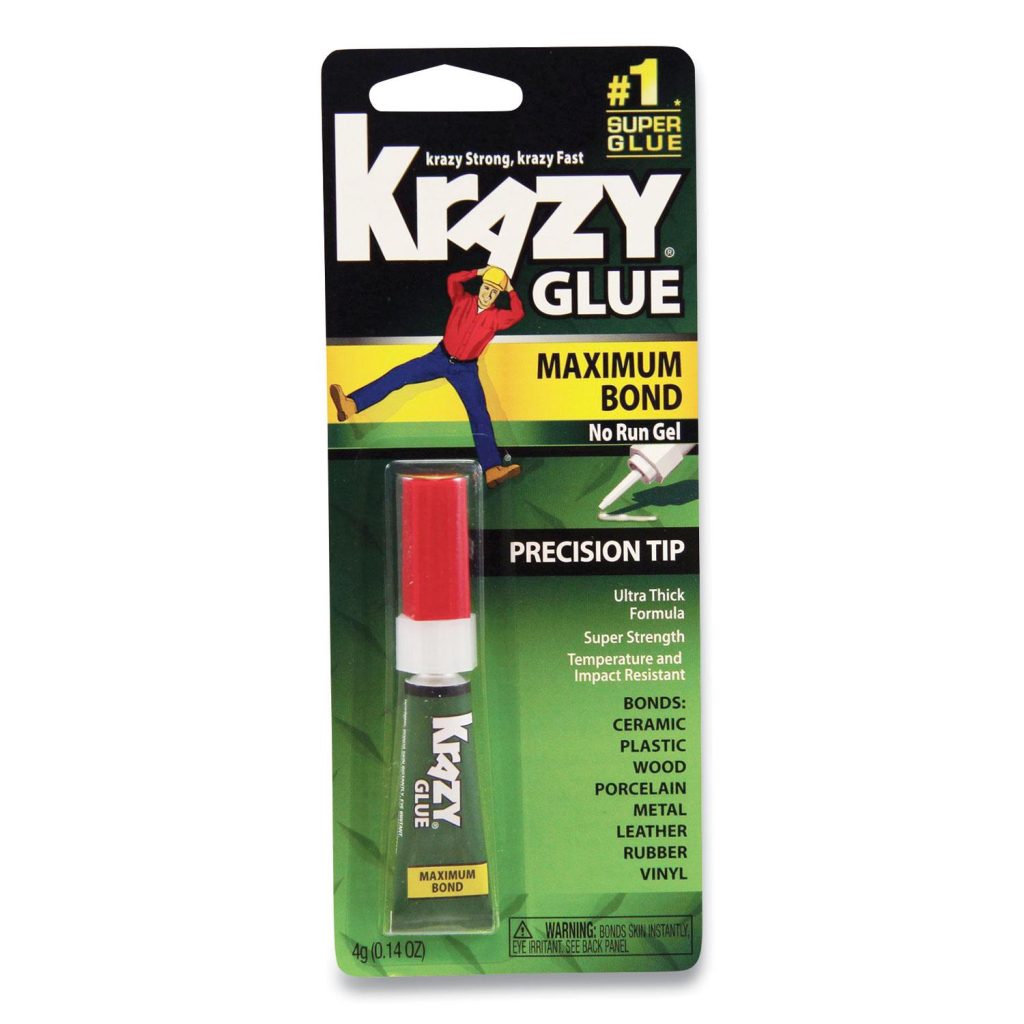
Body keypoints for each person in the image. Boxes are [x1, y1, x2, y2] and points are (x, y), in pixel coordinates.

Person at [330, 266, 524, 487]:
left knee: (479, 412)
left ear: (498, 295)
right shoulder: (462, 300)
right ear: (480, 286)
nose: (488, 294)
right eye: (486, 288)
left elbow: (518, 313)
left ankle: (491, 469)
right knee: (400, 374)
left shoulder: (496, 317)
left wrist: (510, 289)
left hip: (466, 370)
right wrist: (478, 271)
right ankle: (351, 404)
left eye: (494, 292)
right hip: (439, 357)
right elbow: (452, 279)